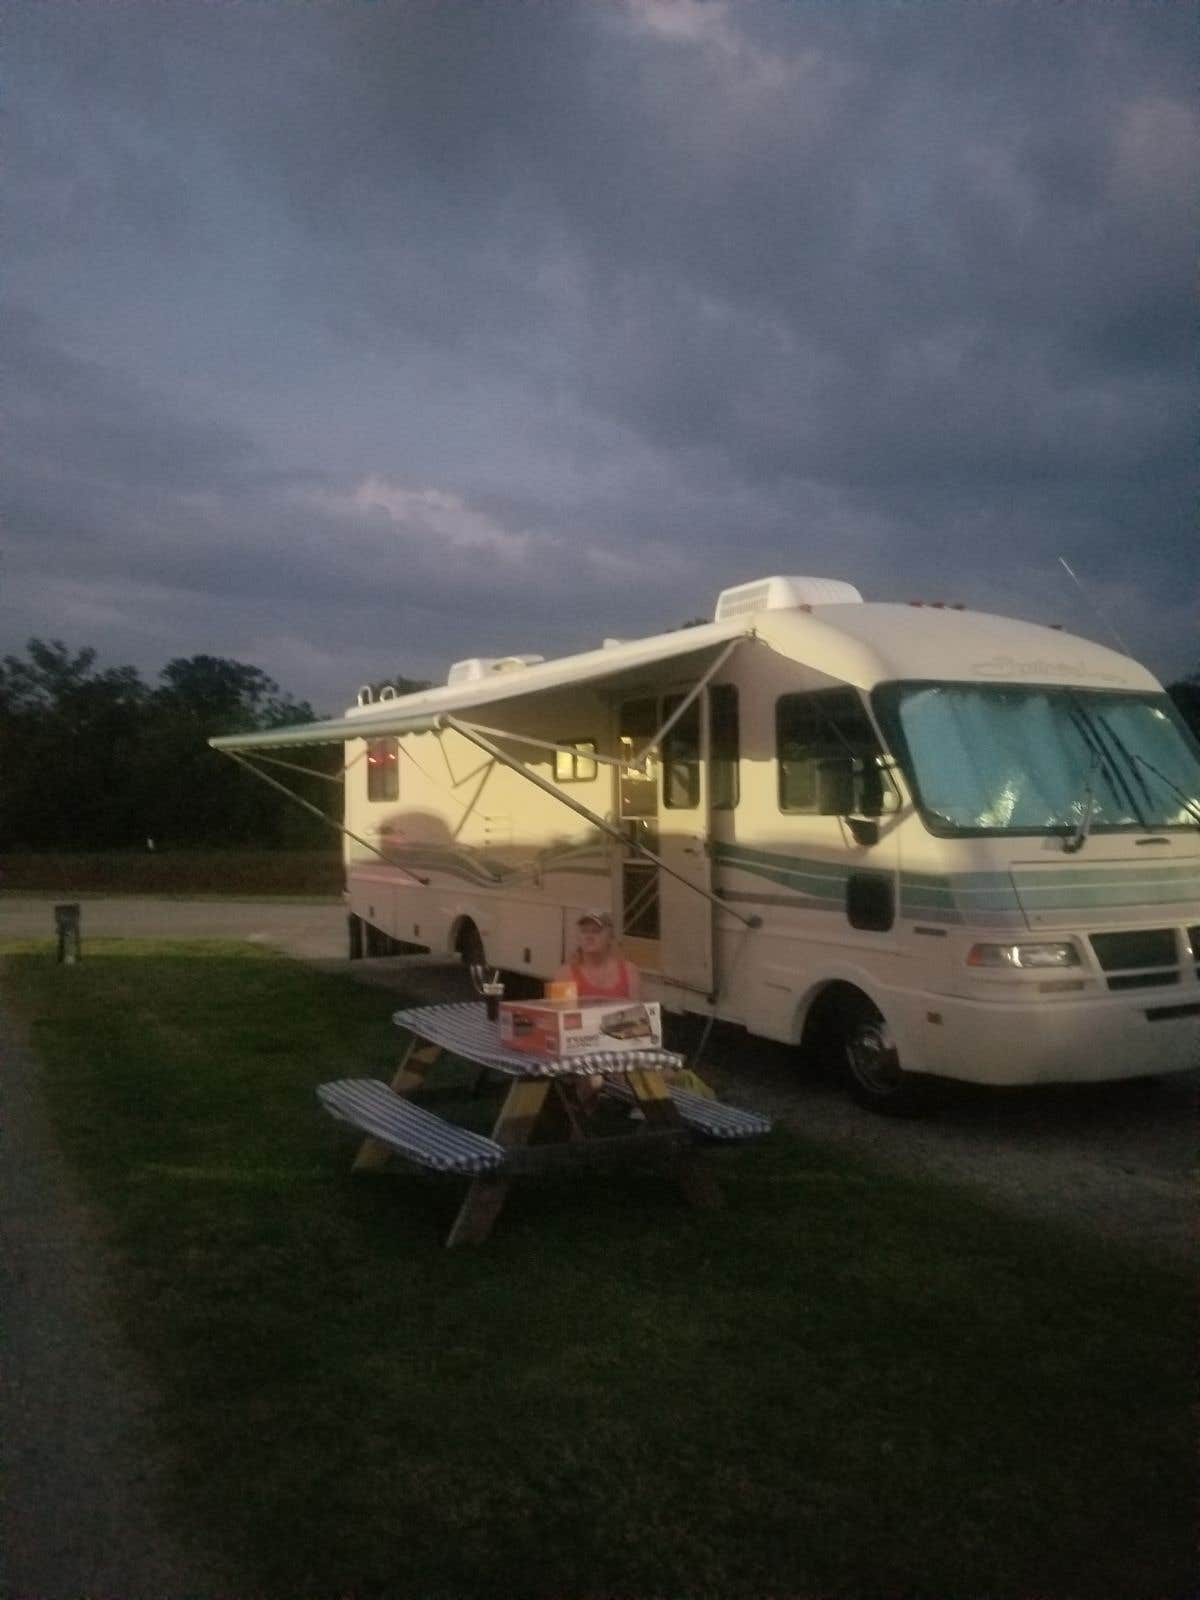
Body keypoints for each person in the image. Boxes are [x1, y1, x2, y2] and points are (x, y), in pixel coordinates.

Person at [555, 909, 640, 1000]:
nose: (589, 937)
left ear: (610, 937)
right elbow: (563, 1012)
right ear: (578, 937)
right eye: (584, 931)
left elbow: (639, 1011)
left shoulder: (629, 971)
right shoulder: (566, 975)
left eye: (596, 931)